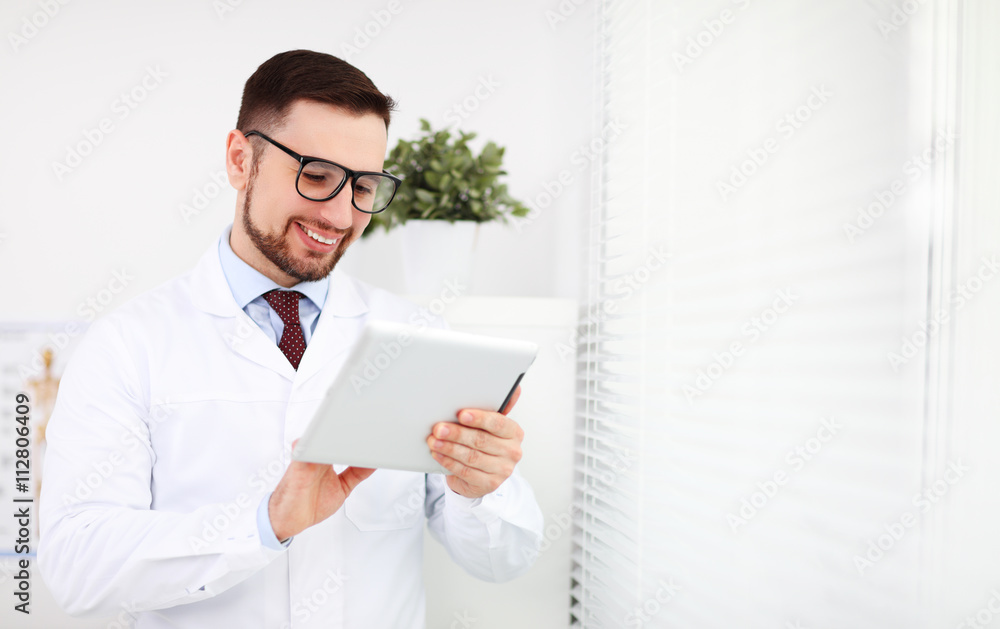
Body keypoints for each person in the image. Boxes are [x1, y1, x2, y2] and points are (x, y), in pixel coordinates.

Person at [38, 49, 544, 628]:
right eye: (317, 175)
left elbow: (504, 560)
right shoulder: (128, 346)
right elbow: (76, 564)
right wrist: (264, 525)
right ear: (239, 160)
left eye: (364, 186)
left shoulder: (416, 338)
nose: (339, 214)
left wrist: (480, 490)